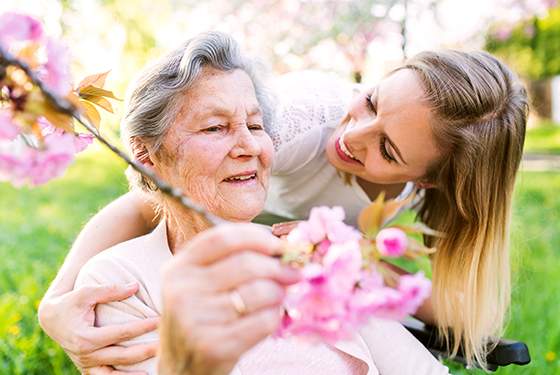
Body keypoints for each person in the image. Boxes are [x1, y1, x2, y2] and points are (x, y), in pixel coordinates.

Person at [38, 35, 529, 370]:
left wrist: (359, 260)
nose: (353, 134)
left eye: (388, 150)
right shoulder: (298, 118)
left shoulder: (427, 200)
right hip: (229, 243)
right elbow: (157, 196)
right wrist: (55, 304)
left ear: (429, 181)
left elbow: (464, 314)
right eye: (372, 101)